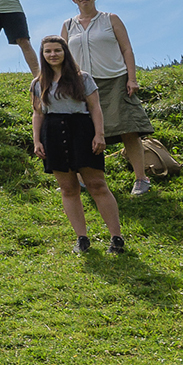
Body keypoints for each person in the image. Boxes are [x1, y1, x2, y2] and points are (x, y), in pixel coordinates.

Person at [31, 36, 127, 253]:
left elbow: (95, 108)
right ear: (43, 55)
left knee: (97, 185)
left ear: (65, 52)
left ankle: (116, 237)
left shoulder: (82, 78)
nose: (52, 55)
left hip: (82, 130)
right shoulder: (38, 83)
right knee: (68, 188)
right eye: (48, 51)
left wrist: (99, 135)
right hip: (53, 132)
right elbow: (38, 113)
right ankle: (81, 238)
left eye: (57, 50)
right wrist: (37, 140)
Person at [62, 0, 155, 196]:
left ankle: (141, 179)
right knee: (81, 131)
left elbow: (127, 49)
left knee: (128, 129)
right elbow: (64, 56)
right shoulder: (68, 25)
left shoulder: (110, 19)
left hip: (114, 79)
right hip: (81, 84)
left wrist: (131, 78)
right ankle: (81, 179)